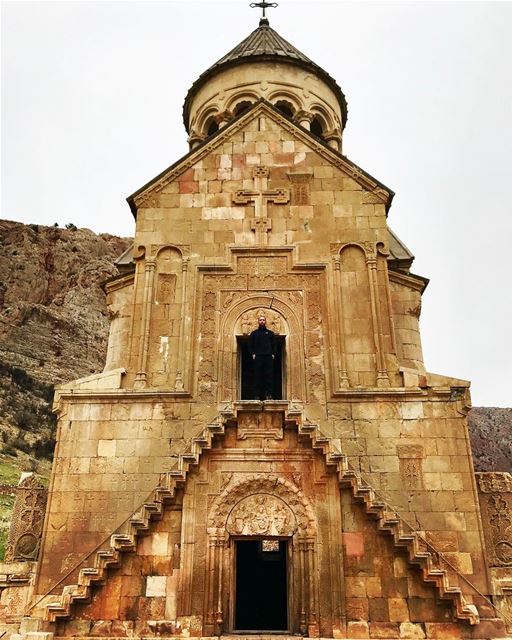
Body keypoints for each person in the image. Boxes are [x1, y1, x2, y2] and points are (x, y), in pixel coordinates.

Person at [248, 315, 276, 400]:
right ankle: (256, 395)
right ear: (258, 321)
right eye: (260, 320)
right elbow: (250, 345)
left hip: (268, 357)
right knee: (257, 376)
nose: (262, 321)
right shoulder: (254, 333)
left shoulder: (270, 333)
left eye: (263, 320)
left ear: (265, 321)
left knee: (269, 376)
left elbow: (274, 344)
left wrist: (273, 354)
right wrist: (252, 354)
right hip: (258, 357)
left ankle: (269, 395)